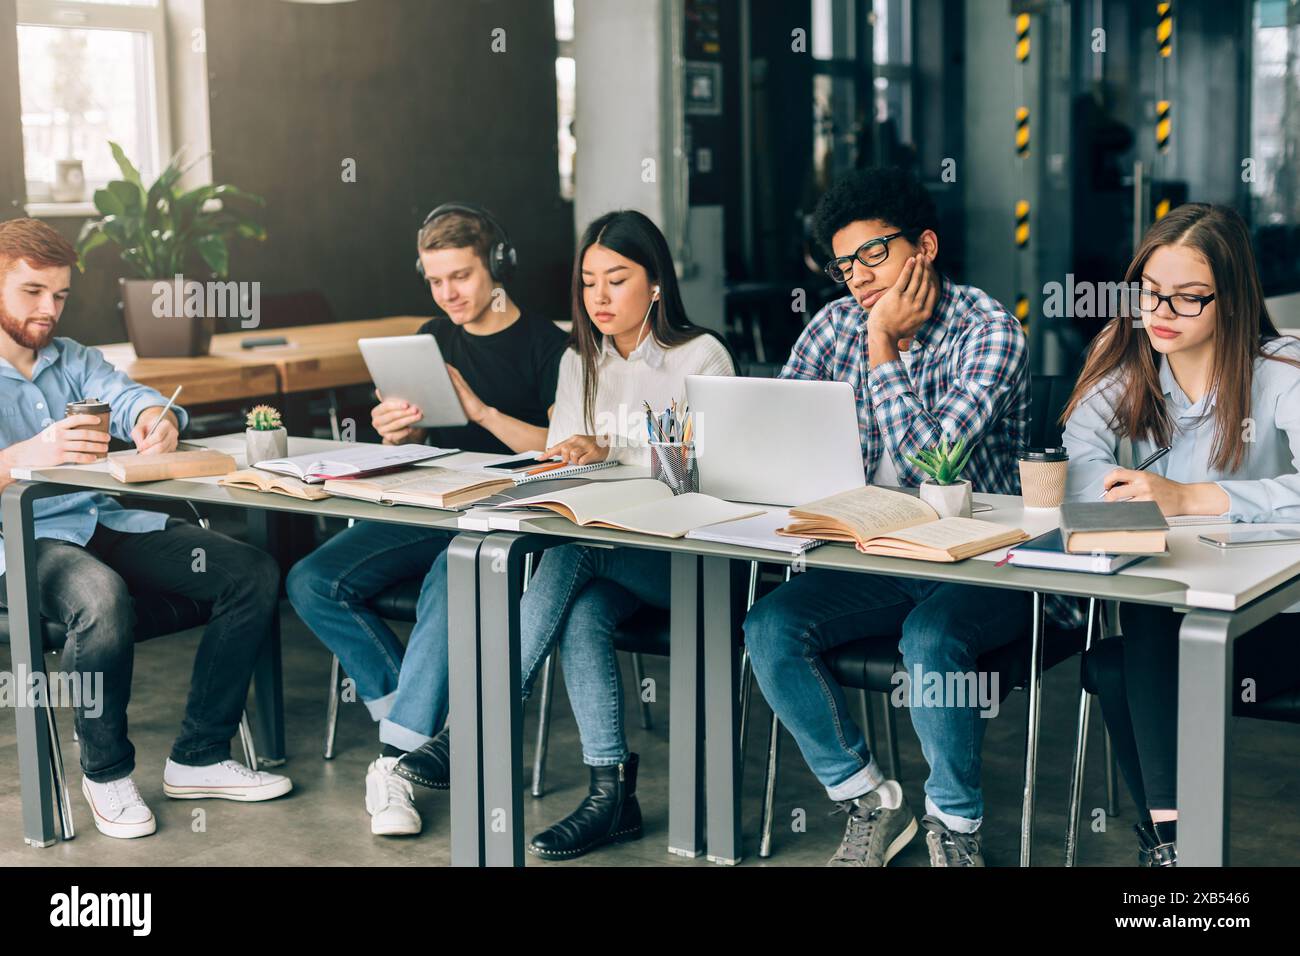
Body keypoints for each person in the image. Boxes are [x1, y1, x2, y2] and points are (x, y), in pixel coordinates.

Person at [741, 166, 1077, 867]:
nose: (858, 279)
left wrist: (883, 344)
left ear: (923, 247)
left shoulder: (989, 330)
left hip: (987, 563)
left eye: (875, 254)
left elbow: (936, 461)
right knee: (769, 626)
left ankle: (955, 827)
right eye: (844, 265)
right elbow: (780, 437)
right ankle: (868, 798)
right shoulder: (831, 325)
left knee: (930, 639)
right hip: (878, 558)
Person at [395, 210, 735, 860]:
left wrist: (605, 447)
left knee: (574, 554)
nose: (599, 298)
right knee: (578, 609)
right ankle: (613, 798)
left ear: (655, 283)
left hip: (688, 561)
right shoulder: (582, 361)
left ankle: (473, 729)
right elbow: (555, 457)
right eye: (588, 283)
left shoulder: (699, 356)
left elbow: (691, 474)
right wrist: (573, 454)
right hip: (611, 559)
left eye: (617, 280)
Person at [0, 218, 290, 839]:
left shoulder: (72, 359)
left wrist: (157, 419)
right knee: (101, 597)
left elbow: (129, 395)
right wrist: (31, 453)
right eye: (32, 293)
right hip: (20, 543)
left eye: (60, 296)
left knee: (251, 571)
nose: (49, 309)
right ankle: (106, 773)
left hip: (101, 518)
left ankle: (200, 756)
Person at [286, 204, 567, 836]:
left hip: (509, 516)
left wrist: (481, 409)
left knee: (453, 572)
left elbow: (561, 445)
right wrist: (394, 432)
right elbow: (408, 437)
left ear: (496, 266)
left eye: (461, 277)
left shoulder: (550, 345)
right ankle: (415, 732)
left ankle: (393, 763)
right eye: (436, 282)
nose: (449, 295)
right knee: (311, 580)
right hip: (433, 502)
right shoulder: (429, 337)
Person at [1061, 203, 1300, 866]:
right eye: (1149, 292)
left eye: (1189, 298)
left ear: (1232, 299)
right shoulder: (1130, 370)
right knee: (1133, 636)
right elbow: (1079, 472)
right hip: (1186, 623)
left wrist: (1193, 498)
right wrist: (1120, 499)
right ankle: (1177, 847)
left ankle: (1170, 845)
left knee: (1124, 656)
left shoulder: (1284, 371)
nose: (1162, 310)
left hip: (1278, 621)